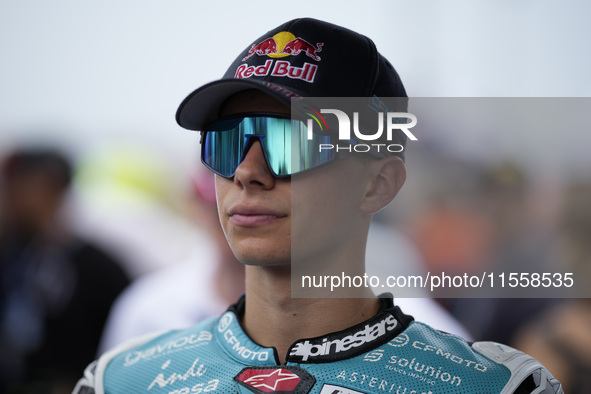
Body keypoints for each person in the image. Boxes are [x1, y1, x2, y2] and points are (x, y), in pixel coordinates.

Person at [74, 18, 562, 393]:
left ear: (378, 184)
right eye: (226, 142)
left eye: (289, 143)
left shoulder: (497, 386)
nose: (247, 171)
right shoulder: (121, 380)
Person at [0, 148, 130, 393]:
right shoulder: (12, 255)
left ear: (53, 189)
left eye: (19, 186)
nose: (9, 196)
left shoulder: (98, 267)